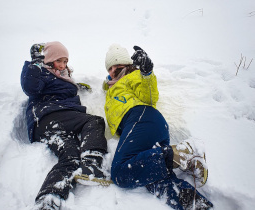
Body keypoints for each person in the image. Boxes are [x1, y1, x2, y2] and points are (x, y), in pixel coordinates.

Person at [102, 44, 213, 209]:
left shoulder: (134, 76)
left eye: (117, 67)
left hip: (141, 118)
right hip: (147, 128)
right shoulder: (112, 87)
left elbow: (150, 96)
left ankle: (182, 153)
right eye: (110, 68)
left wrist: (146, 73)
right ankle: (196, 204)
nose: (113, 71)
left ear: (127, 66)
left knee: (120, 174)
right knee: (153, 176)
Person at [21, 41, 109, 210]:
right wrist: (34, 64)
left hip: (48, 125)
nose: (62, 65)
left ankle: (48, 199)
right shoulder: (42, 72)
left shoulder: (60, 75)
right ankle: (91, 163)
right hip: (51, 115)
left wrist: (75, 86)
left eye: (65, 61)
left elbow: (59, 88)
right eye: (58, 60)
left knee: (71, 158)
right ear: (49, 59)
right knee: (94, 121)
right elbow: (30, 87)